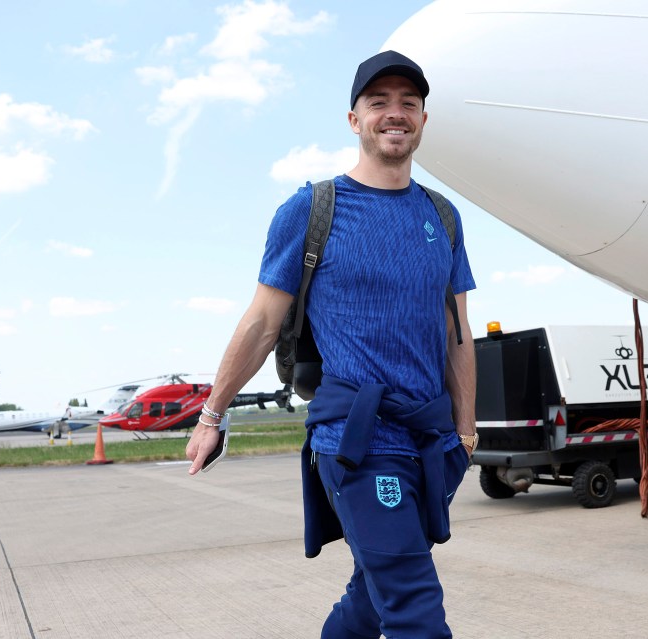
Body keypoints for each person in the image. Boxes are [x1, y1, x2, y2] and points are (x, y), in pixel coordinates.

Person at [186, 50, 477, 639]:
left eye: (408, 104)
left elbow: (456, 331)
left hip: (428, 439)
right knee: (414, 603)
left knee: (370, 598)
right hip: (356, 438)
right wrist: (212, 413)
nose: (395, 114)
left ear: (423, 120)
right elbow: (263, 322)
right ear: (354, 120)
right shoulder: (312, 210)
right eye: (379, 103)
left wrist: (465, 433)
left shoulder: (441, 217)